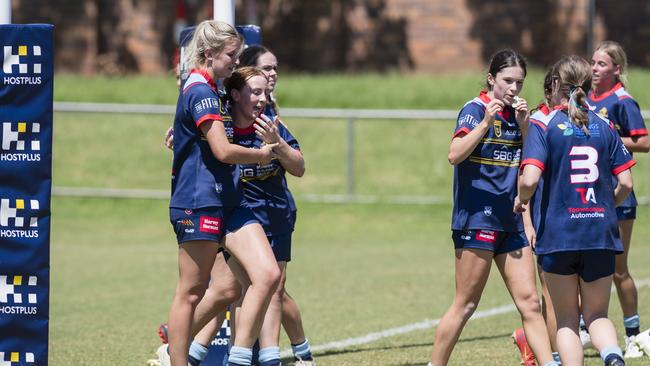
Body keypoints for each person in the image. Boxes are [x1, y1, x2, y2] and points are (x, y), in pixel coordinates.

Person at [159, 46, 316, 366]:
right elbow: (209, 138)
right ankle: (180, 347)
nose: (266, 89)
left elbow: (299, 166)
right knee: (217, 288)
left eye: (274, 73)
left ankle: (266, 354)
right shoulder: (222, 119)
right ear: (235, 93)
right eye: (257, 86)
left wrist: (277, 145)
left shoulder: (270, 124)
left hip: (270, 212)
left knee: (270, 281)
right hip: (219, 206)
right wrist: (181, 131)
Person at [428, 49, 556, 366]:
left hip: (511, 222)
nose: (513, 89)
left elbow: (528, 167)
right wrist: (486, 122)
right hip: (476, 220)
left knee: (529, 303)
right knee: (467, 303)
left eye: (519, 83)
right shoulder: (474, 110)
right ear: (491, 79)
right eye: (507, 81)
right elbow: (454, 154)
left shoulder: (518, 115)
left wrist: (526, 127)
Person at [515, 55, 635, 366]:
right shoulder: (605, 125)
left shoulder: (544, 125)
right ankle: (612, 356)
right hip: (600, 232)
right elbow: (625, 182)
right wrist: (607, 207)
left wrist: (521, 198)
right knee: (597, 315)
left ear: (555, 85)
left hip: (560, 234)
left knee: (567, 320)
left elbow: (529, 179)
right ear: (588, 85)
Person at [587, 40, 650, 358]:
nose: (594, 69)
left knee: (617, 269)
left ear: (616, 69)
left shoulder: (622, 101)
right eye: (593, 63)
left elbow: (644, 141)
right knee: (586, 264)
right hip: (588, 195)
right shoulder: (583, 98)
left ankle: (634, 334)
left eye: (601, 64)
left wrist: (609, 134)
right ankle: (588, 327)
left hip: (619, 194)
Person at [512, 70, 562, 366]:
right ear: (549, 90)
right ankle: (548, 356)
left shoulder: (577, 118)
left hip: (574, 218)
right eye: (564, 89)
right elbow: (526, 177)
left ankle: (531, 343)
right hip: (546, 219)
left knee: (573, 298)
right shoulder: (537, 122)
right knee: (554, 295)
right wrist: (528, 223)